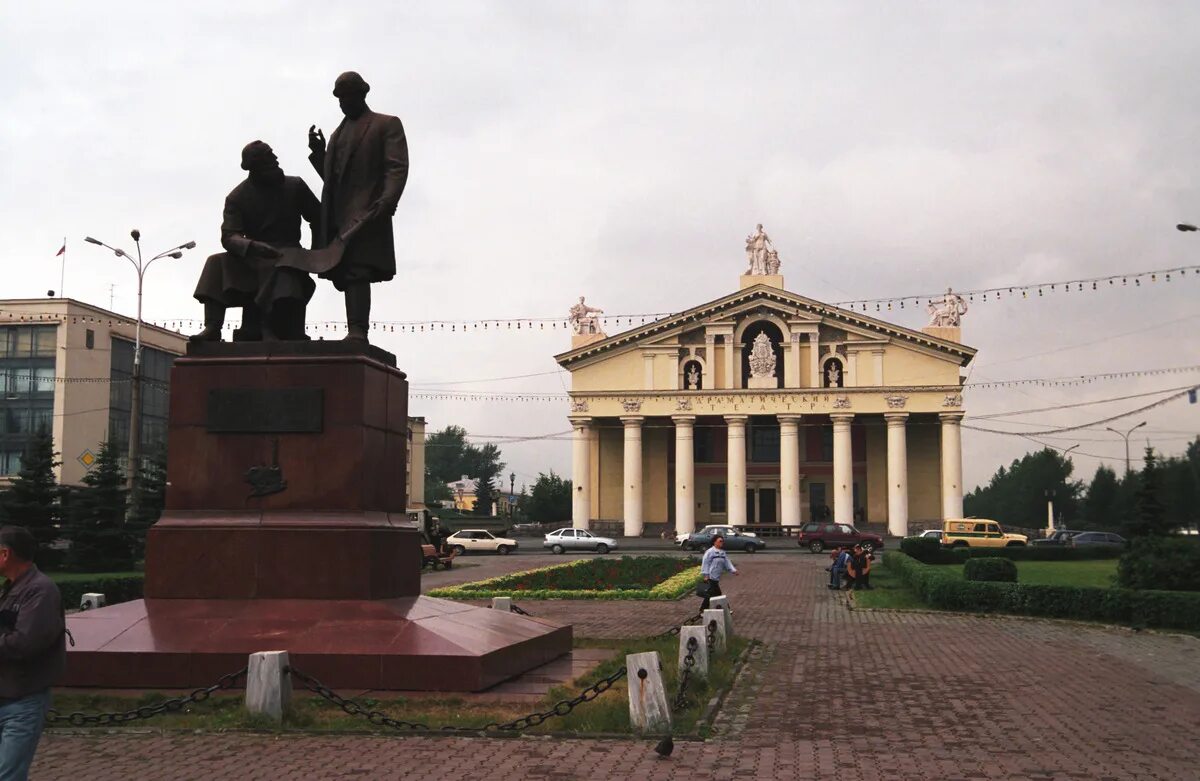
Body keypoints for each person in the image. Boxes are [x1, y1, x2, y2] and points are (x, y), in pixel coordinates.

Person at [308, 71, 410, 342]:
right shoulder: (335, 135)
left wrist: (388, 200)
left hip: (367, 209)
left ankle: (357, 331)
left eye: (347, 96)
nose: (343, 103)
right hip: (338, 215)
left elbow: (396, 167)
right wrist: (320, 154)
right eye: (339, 98)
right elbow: (334, 182)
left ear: (362, 94)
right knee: (346, 272)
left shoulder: (385, 124)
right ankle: (354, 329)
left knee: (358, 271)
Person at [190, 141, 320, 342]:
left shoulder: (295, 186)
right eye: (269, 158)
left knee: (280, 267)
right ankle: (213, 327)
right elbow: (229, 236)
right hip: (253, 254)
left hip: (290, 252)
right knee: (215, 262)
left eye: (273, 155)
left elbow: (319, 217)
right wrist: (251, 246)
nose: (276, 160)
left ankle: (269, 328)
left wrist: (315, 253)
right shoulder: (237, 197)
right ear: (255, 167)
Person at [0, 526, 65, 780]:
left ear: (6, 554)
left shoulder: (40, 590)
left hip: (22, 700)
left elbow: (24, 643)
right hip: (6, 693)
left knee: (8, 775)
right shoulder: (11, 588)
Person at [699, 534, 738, 610]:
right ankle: (725, 609)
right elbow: (705, 563)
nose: (722, 543)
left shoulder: (722, 553)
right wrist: (706, 575)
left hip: (717, 577)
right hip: (711, 576)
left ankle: (704, 609)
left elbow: (727, 562)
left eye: (722, 541)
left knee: (712, 594)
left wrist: (733, 570)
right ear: (714, 542)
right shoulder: (710, 552)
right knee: (717, 593)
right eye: (720, 541)